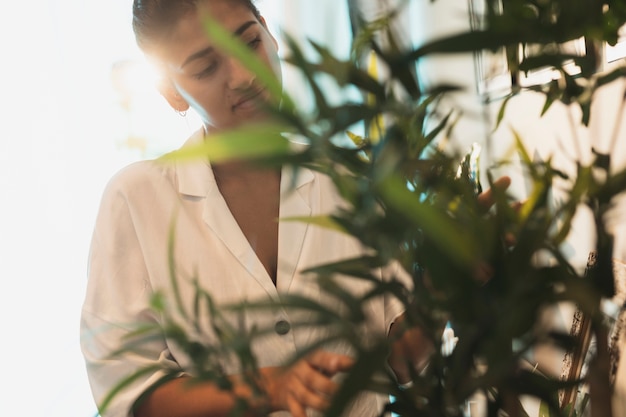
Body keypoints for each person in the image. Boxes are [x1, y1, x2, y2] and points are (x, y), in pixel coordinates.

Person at [81, 1, 507, 416]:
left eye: (249, 42)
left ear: (269, 31)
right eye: (206, 68)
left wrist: (446, 284)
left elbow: (400, 363)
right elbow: (132, 395)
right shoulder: (136, 201)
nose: (244, 76)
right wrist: (270, 387)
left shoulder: (352, 179)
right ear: (172, 92)